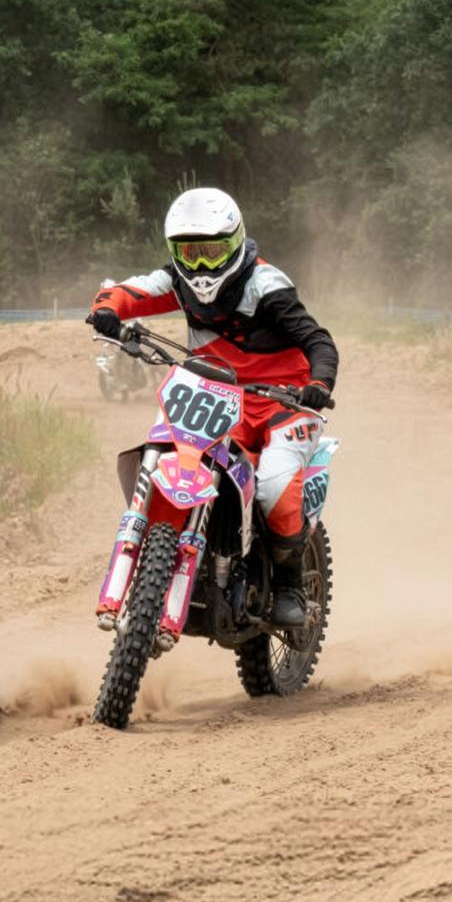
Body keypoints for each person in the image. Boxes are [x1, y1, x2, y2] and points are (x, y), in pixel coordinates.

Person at [88, 186, 339, 626]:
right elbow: (129, 291)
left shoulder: (266, 285)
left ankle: (289, 586)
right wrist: (106, 311)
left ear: (236, 241)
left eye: (211, 252)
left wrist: (318, 382)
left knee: (274, 484)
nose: (200, 265)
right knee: (170, 445)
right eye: (190, 253)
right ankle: (165, 553)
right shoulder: (178, 282)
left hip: (283, 400)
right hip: (217, 397)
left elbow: (318, 339)